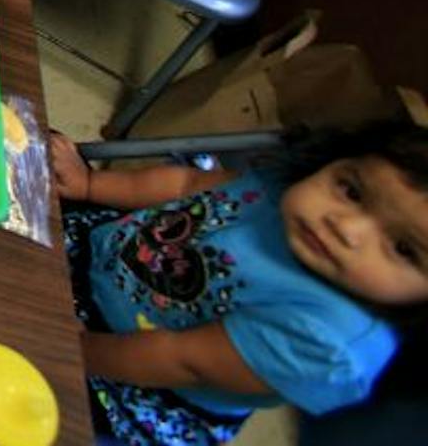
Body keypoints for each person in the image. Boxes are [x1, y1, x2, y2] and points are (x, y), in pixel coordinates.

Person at [48, 124, 425, 443]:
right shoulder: (292, 184)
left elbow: (180, 358)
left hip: (130, 384)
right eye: (353, 192)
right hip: (98, 255)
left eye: (403, 248)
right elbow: (187, 184)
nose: (344, 227)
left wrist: (68, 347)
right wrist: (90, 184)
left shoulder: (329, 342)